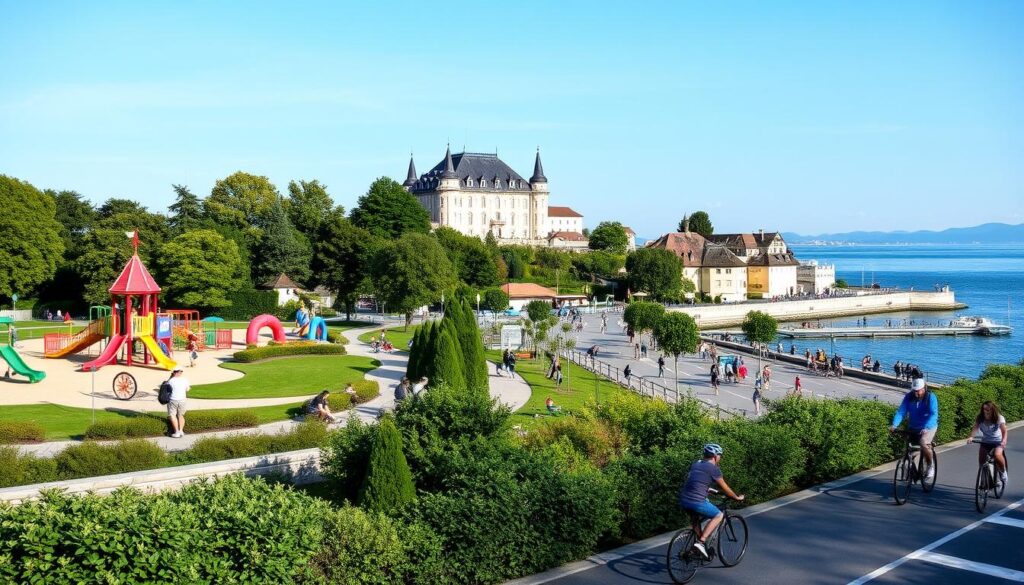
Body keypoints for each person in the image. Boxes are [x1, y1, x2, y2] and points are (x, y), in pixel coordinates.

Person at [677, 444, 745, 560]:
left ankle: (697, 548)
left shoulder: (696, 464)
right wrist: (736, 497)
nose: (720, 458)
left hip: (684, 500)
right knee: (718, 515)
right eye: (720, 455)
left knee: (696, 519)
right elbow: (725, 488)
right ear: (715, 456)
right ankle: (701, 542)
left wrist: (707, 489)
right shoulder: (714, 469)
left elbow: (694, 480)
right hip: (696, 501)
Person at [890, 378, 939, 480]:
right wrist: (894, 425)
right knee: (909, 450)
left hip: (929, 426)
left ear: (924, 388)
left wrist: (927, 427)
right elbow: (901, 412)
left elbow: (933, 414)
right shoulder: (909, 397)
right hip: (913, 426)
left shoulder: (931, 397)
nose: (916, 393)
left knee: (923, 442)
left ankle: (930, 466)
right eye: (914, 390)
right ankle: (914, 472)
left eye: (918, 390)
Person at [966, 401, 1008, 485]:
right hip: (985, 441)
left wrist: (1004, 441)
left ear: (992, 410)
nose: (986, 411)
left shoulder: (999, 418)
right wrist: (971, 437)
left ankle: (1003, 472)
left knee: (997, 455)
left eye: (988, 409)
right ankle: (985, 479)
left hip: (997, 442)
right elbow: (975, 428)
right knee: (982, 460)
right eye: (984, 409)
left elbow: (1004, 431)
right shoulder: (980, 418)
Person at [166, 369, 190, 437]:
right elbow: (187, 389)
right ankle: (181, 431)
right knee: (181, 415)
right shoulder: (184, 380)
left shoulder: (170, 381)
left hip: (172, 400)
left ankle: (176, 432)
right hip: (182, 400)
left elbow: (167, 390)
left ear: (173, 372)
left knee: (172, 415)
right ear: (181, 372)